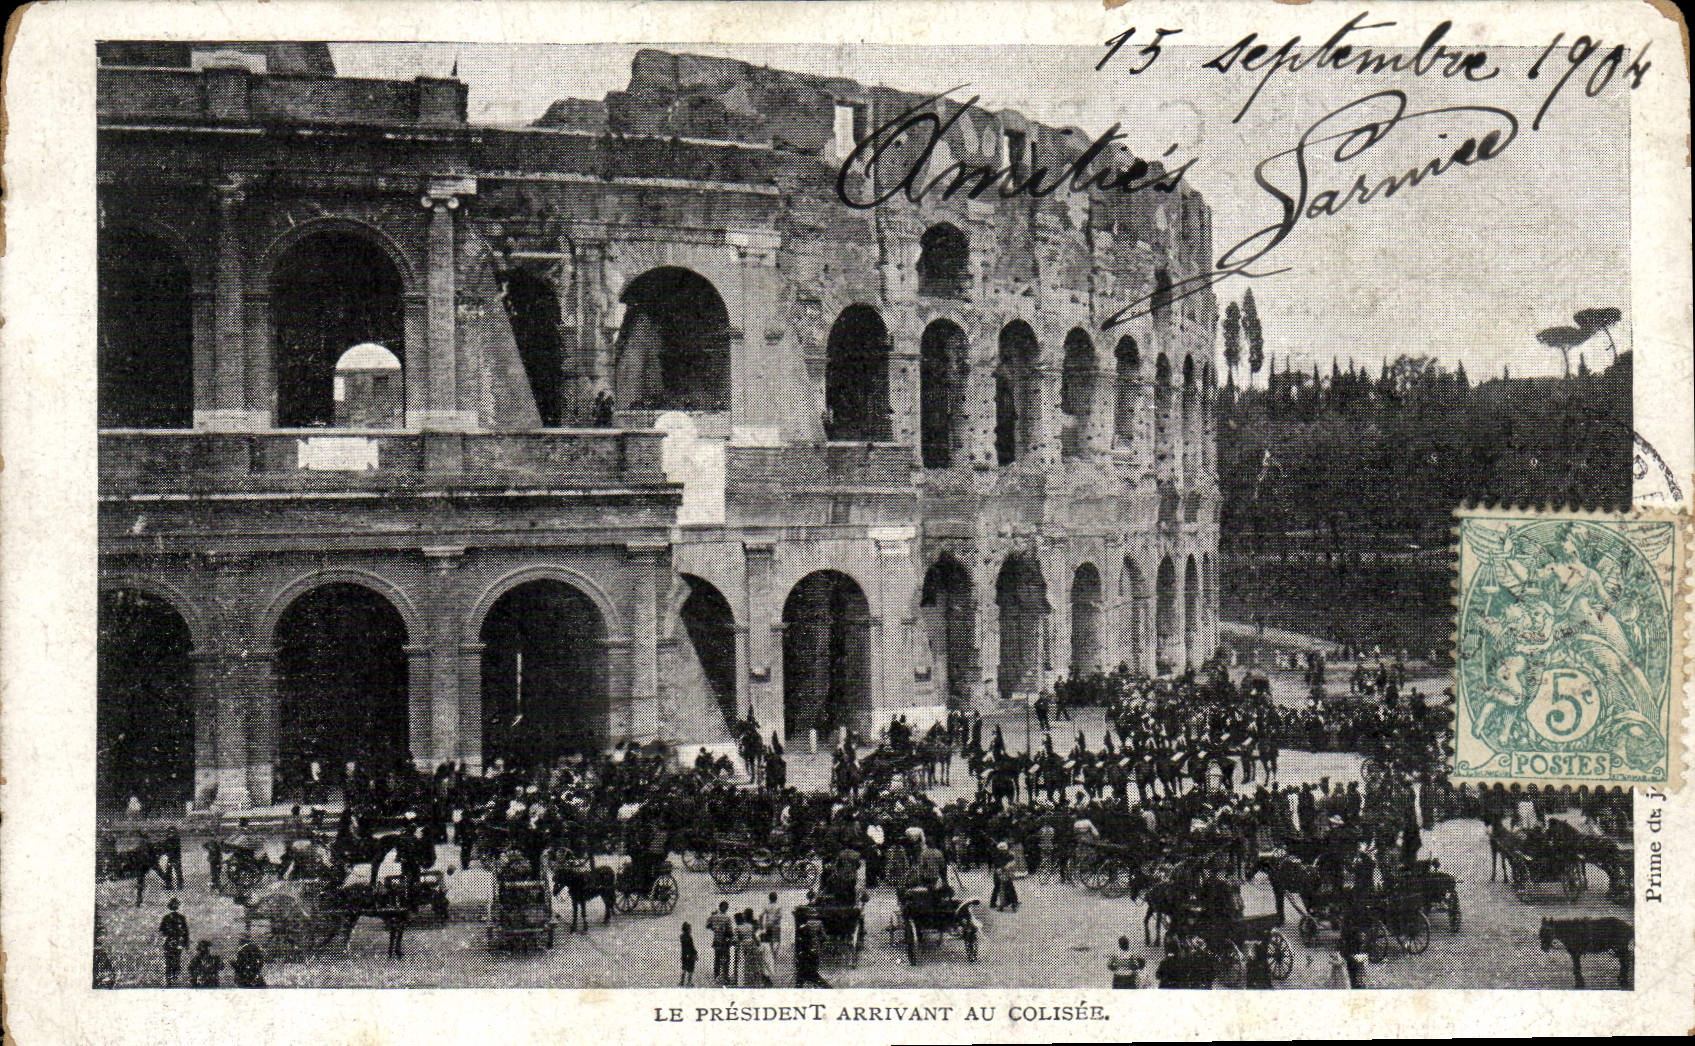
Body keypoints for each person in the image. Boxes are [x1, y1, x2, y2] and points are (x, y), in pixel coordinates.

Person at [158, 898, 189, 986]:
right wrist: (185, 943)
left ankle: (171, 977)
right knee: (173, 960)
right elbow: (185, 931)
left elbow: (162, 930)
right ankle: (171, 977)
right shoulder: (180, 918)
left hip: (172, 941)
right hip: (175, 941)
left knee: (172, 960)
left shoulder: (168, 917)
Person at [707, 901, 734, 984]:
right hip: (724, 941)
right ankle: (725, 977)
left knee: (717, 958)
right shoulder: (727, 918)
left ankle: (716, 975)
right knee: (726, 959)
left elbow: (708, 925)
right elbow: (730, 932)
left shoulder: (713, 916)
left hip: (716, 940)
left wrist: (715, 929)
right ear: (726, 908)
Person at [989, 840, 1019, 911]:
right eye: (1001, 850)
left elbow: (1012, 863)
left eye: (1004, 850)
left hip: (1006, 872)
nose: (1002, 852)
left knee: (1008, 887)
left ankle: (1013, 902)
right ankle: (996, 902)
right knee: (999, 887)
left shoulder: (1009, 855)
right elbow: (996, 865)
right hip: (1000, 872)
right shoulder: (998, 855)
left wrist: (1008, 867)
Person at [679, 923, 698, 987]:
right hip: (690, 955)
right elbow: (691, 946)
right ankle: (689, 982)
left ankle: (682, 981)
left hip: (684, 955)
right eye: (690, 928)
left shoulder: (682, 936)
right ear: (688, 930)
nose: (691, 930)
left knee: (684, 968)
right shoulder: (689, 937)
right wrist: (695, 953)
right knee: (690, 969)